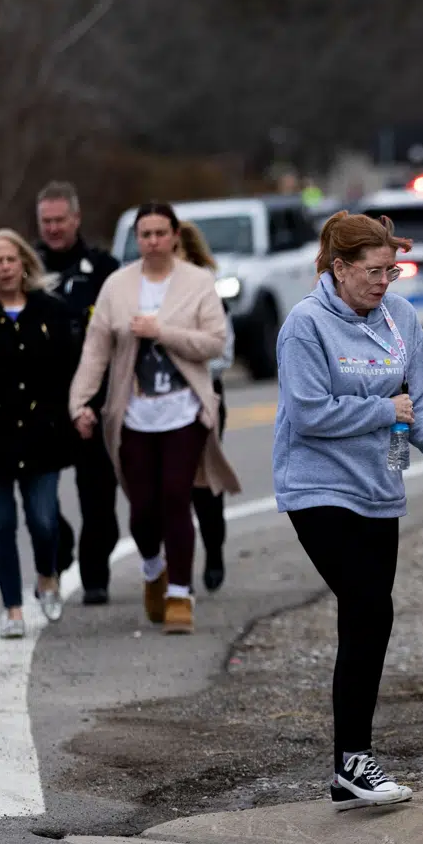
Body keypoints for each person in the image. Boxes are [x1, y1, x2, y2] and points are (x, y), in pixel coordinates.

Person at [273, 211, 423, 811]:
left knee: (370, 618)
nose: (384, 281)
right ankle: (352, 762)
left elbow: (419, 406)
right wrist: (381, 410)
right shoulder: (305, 326)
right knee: (368, 606)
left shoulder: (402, 319)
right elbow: (309, 413)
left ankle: (351, 766)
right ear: (339, 269)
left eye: (391, 270)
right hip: (317, 488)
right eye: (372, 271)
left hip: (379, 485)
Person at [69, 203, 241, 637]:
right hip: (133, 410)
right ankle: (153, 569)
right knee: (142, 507)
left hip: (184, 407)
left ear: (174, 237)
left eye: (160, 233)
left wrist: (162, 332)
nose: (152, 242)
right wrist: (80, 401)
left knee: (176, 497)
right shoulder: (117, 286)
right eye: (144, 234)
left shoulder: (198, 282)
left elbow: (215, 343)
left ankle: (180, 594)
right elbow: (96, 350)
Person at [0, 230, 76, 639]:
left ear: (24, 263)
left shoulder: (51, 311)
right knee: (1, 524)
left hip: (43, 433)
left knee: (43, 521)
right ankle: (13, 609)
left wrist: (76, 413)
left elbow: (71, 367)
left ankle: (48, 575)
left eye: (10, 259)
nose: (4, 267)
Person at [35, 181, 121, 606]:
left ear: (76, 218)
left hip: (95, 400)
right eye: (46, 221)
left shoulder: (104, 268)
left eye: (60, 220)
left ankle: (95, 575)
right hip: (43, 403)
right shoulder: (27, 268)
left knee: (99, 496)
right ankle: (61, 547)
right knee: (40, 499)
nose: (53, 228)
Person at [178, 220, 236, 593]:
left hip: (203, 401)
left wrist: (180, 352)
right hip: (155, 402)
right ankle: (174, 566)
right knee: (168, 488)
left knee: (203, 485)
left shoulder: (208, 294)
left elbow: (222, 355)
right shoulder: (146, 295)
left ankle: (213, 550)